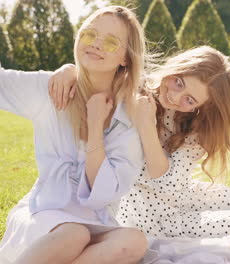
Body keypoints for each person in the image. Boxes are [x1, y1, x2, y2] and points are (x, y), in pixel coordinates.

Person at [49, 46, 230, 240]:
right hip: (148, 213)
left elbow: (171, 186)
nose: (175, 96)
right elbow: (94, 78)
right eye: (179, 82)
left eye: (189, 99)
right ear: (176, 67)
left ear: (201, 107)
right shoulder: (135, 87)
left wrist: (146, 126)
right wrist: (68, 70)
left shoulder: (194, 126)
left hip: (181, 194)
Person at [0, 6, 148, 264]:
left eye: (111, 41)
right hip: (44, 213)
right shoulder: (52, 88)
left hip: (95, 221)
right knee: (73, 234)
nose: (97, 44)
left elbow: (103, 194)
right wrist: (69, 68)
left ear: (126, 58)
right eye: (90, 34)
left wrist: (94, 127)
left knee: (133, 241)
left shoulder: (130, 117)